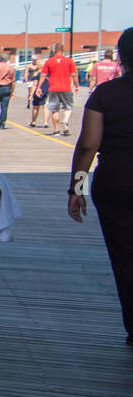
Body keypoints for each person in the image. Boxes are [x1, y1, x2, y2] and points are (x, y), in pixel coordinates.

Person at [68, 28, 133, 345]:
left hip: (117, 183)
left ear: (121, 58)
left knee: (124, 257)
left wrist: (76, 188)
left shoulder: (105, 95)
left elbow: (88, 147)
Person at [42, 42, 78, 136]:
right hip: (66, 87)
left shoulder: (49, 61)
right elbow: (74, 75)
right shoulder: (69, 61)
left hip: (53, 88)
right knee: (68, 107)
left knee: (54, 109)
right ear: (63, 50)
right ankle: (65, 121)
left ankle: (56, 130)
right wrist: (77, 85)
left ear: (54, 50)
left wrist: (38, 87)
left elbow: (43, 75)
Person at [25, 57, 47, 127]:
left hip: (38, 91)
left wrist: (31, 94)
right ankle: (46, 122)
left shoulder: (37, 74)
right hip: (46, 91)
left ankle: (33, 121)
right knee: (45, 107)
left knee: (36, 107)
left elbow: (34, 84)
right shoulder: (47, 74)